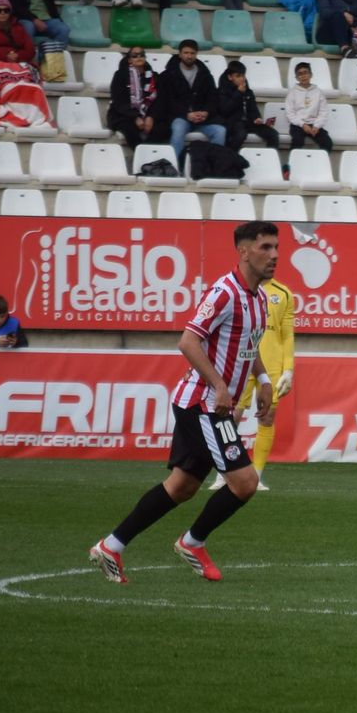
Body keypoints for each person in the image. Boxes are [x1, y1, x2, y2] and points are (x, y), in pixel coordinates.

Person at [89, 220, 280, 585]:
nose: (274, 256)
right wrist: (220, 386)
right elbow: (188, 342)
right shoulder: (224, 292)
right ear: (243, 251)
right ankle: (192, 542)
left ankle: (110, 546)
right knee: (245, 483)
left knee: (181, 487)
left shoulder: (259, 298)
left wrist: (265, 380)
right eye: (265, 247)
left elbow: (248, 346)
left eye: (275, 248)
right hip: (204, 404)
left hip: (213, 404)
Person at [209, 271, 294, 492]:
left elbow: (287, 334)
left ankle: (256, 476)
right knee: (232, 416)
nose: (270, 260)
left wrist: (289, 370)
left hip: (273, 363)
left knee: (267, 418)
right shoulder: (239, 290)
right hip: (243, 360)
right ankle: (223, 474)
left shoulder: (284, 293)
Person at [159, 39, 225, 163]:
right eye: (186, 53)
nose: (189, 56)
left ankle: (215, 167)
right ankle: (175, 167)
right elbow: (167, 101)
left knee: (220, 131)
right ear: (180, 54)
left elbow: (213, 98)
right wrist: (186, 114)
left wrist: (206, 112)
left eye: (192, 53)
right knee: (178, 129)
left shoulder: (205, 75)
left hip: (203, 119)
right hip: (181, 117)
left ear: (196, 54)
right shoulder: (168, 75)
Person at [107, 45, 162, 147]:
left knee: (163, 129)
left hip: (148, 114)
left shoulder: (154, 76)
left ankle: (150, 153)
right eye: (135, 55)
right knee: (130, 129)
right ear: (129, 60)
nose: (139, 57)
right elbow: (119, 101)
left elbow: (159, 100)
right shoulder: (120, 76)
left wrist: (151, 117)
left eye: (142, 55)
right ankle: (143, 156)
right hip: (124, 116)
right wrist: (135, 117)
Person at [216, 59, 276, 151]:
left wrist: (257, 118)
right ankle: (229, 157)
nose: (242, 78)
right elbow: (225, 110)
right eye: (238, 76)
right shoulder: (223, 91)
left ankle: (271, 159)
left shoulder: (247, 91)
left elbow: (253, 108)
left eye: (243, 75)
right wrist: (238, 93)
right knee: (240, 134)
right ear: (230, 77)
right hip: (233, 123)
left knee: (272, 134)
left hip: (249, 122)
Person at [284, 59, 332, 151]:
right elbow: (290, 114)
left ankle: (321, 164)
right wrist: (303, 125)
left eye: (305, 73)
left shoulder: (318, 92)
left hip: (314, 124)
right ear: (296, 77)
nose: (303, 76)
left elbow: (323, 111)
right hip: (298, 125)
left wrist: (317, 125)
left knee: (327, 142)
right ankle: (292, 164)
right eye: (300, 74)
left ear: (311, 74)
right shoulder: (292, 93)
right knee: (297, 141)